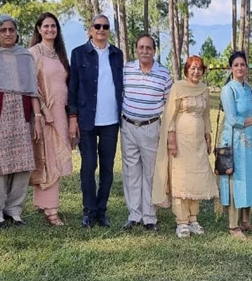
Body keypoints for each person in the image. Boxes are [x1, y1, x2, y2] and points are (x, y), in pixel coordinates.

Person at [0, 15, 43, 228]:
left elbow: (32, 89)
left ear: (17, 33)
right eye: (3, 30)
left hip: (23, 115)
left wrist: (38, 117)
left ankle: (14, 209)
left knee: (23, 164)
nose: (7, 34)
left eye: (11, 30)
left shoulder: (25, 56)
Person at [68, 14, 124, 228]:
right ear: (90, 29)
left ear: (109, 30)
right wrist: (73, 117)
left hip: (111, 120)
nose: (101, 29)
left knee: (108, 168)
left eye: (105, 26)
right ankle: (89, 211)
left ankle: (102, 211)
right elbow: (72, 89)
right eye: (97, 26)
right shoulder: (79, 54)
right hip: (87, 120)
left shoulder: (117, 54)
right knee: (88, 166)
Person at [153, 55, 218, 238]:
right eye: (193, 68)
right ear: (186, 70)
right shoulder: (178, 87)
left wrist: (207, 136)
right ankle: (181, 222)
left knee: (196, 179)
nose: (196, 71)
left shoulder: (204, 90)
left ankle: (193, 219)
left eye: (199, 68)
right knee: (181, 178)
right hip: (181, 141)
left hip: (198, 142)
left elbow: (205, 115)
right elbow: (170, 115)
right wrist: (171, 138)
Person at [120, 33, 173, 231]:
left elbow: (169, 105)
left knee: (150, 172)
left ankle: (149, 216)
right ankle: (134, 214)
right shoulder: (126, 70)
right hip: (128, 126)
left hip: (151, 127)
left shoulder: (163, 74)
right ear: (136, 50)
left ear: (154, 51)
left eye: (148, 48)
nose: (144, 51)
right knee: (131, 171)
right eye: (141, 47)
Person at [29, 12, 73, 226]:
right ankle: (51, 210)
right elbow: (31, 87)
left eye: (53, 26)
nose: (50, 30)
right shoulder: (33, 53)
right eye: (46, 26)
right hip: (45, 114)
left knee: (55, 157)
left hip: (61, 113)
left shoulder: (60, 54)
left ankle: (45, 204)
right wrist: (42, 112)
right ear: (38, 29)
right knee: (47, 158)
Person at [217, 51, 252, 241]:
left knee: (249, 179)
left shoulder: (248, 88)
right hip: (234, 142)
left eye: (243, 64)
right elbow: (233, 119)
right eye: (236, 65)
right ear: (231, 68)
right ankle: (233, 225)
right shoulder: (229, 90)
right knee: (236, 180)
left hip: (250, 143)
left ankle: (246, 221)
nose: (240, 68)